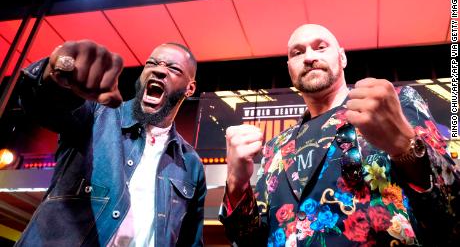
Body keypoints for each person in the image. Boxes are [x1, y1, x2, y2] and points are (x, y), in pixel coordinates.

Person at [219, 24, 459, 246]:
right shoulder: (276, 148)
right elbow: (247, 239)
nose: (310, 57)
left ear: (342, 57)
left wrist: (405, 146)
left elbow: (451, 205)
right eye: (297, 53)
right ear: (290, 69)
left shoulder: (394, 104)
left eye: (321, 47)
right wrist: (236, 183)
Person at [15, 40, 206, 246]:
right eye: (152, 63)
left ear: (190, 88)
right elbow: (43, 106)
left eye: (173, 68)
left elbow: (191, 242)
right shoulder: (97, 114)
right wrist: (54, 75)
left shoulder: (190, 164)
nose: (159, 70)